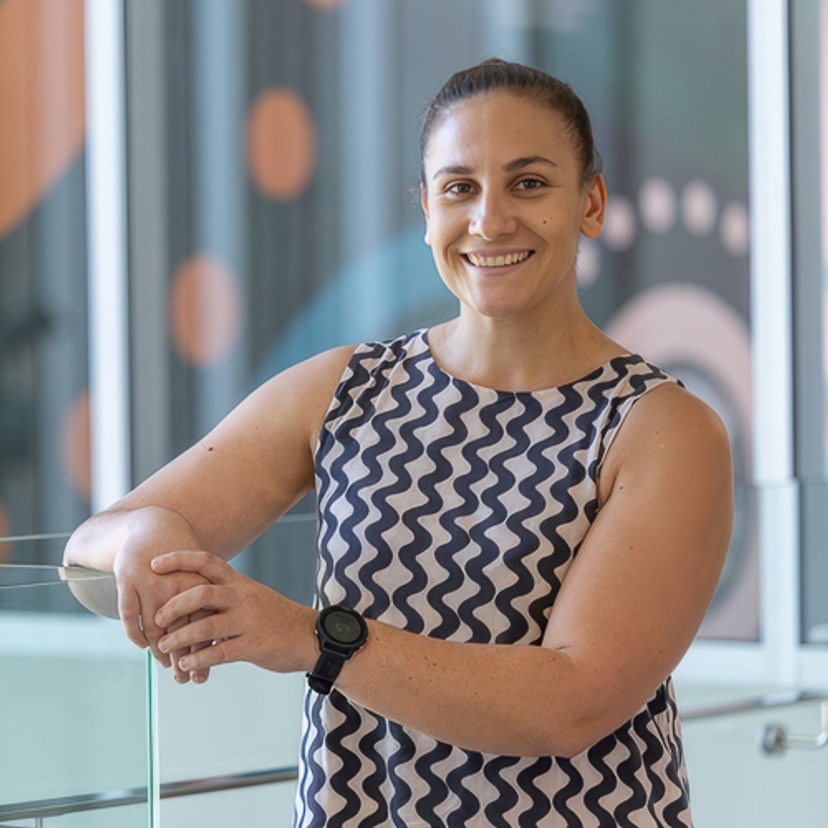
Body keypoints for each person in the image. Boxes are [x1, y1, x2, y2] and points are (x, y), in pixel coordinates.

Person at [64, 58, 733, 827]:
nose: (489, 220)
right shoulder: (345, 388)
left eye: (529, 183)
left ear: (591, 202)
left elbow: (572, 701)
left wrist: (315, 640)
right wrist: (146, 530)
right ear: (425, 211)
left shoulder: (662, 429)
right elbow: (91, 545)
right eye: (459, 188)